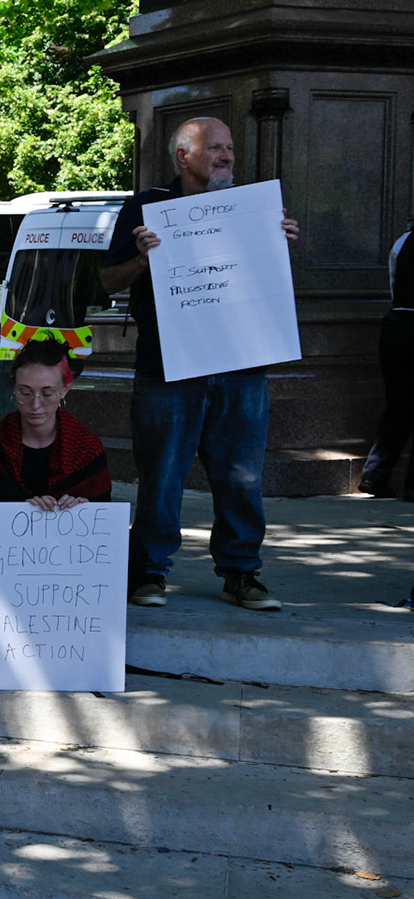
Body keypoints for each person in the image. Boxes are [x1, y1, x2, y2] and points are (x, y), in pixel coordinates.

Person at [101, 116, 299, 610]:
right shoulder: (147, 208)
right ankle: (148, 572)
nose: (226, 156)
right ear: (182, 157)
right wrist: (145, 258)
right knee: (162, 474)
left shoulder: (251, 211)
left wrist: (278, 243)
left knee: (241, 477)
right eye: (214, 148)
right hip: (168, 369)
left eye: (229, 147)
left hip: (241, 364)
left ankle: (242, 574)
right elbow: (105, 282)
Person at [0, 340, 114, 682]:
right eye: (24, 392)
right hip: (0, 557)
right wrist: (18, 520)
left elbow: (104, 532)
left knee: (128, 556)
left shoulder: (86, 446)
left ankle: (73, 646)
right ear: (13, 389)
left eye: (47, 393)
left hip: (63, 562)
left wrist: (79, 512)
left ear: (65, 389)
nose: (35, 405)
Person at [360, 223, 414, 498]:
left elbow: (395, 283)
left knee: (399, 405)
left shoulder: (404, 240)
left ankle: (374, 476)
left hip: (399, 324)